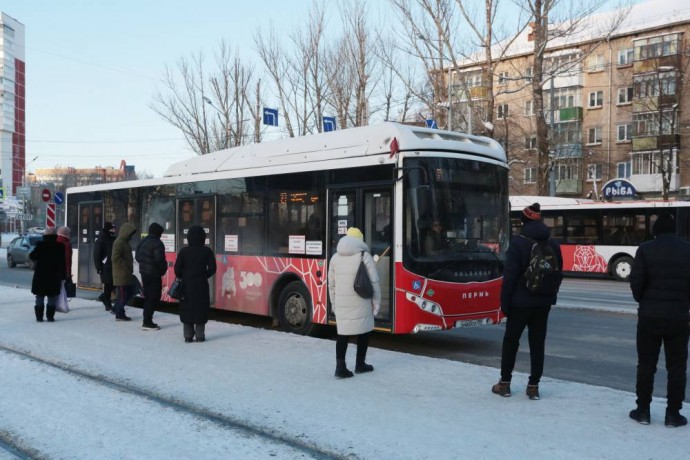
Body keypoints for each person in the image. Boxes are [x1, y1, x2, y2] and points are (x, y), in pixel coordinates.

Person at [492, 203, 563, 400]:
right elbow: (558, 274)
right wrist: (550, 298)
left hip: (520, 303)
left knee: (511, 341)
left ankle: (504, 384)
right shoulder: (554, 244)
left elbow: (510, 278)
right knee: (537, 343)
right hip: (543, 303)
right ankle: (533, 387)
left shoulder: (518, 243)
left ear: (523, 222)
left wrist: (505, 304)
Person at [629, 213, 690, 428]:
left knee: (646, 365)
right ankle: (673, 414)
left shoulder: (645, 249)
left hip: (649, 316)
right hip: (679, 317)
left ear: (656, 230)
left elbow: (636, 282)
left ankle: (643, 410)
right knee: (677, 367)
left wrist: (644, 301)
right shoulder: (687, 249)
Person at [327, 227, 381, 378]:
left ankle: (340, 367)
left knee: (343, 335)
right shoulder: (364, 255)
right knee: (363, 332)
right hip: (362, 301)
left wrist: (334, 304)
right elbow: (374, 281)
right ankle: (360, 364)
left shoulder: (335, 257)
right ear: (360, 240)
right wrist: (376, 303)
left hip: (342, 303)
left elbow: (331, 284)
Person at [174, 225, 216, 343]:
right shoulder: (207, 251)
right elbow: (213, 268)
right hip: (201, 285)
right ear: (203, 237)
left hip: (186, 286)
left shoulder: (184, 251)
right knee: (200, 309)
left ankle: (188, 336)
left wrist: (184, 276)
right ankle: (200, 336)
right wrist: (204, 275)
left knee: (187, 309)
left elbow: (177, 269)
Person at [30, 227, 66, 322]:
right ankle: (50, 317)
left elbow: (32, 256)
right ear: (55, 236)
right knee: (52, 297)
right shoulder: (60, 246)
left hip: (40, 276)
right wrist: (64, 275)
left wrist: (37, 249)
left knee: (39, 297)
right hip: (54, 276)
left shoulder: (41, 245)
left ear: (45, 235)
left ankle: (39, 317)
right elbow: (63, 262)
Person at [135, 223, 167, 331]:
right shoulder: (158, 243)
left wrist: (145, 265)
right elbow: (160, 260)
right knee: (153, 297)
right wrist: (163, 270)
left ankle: (147, 320)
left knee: (148, 296)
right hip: (154, 274)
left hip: (144, 273)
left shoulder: (143, 241)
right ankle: (147, 321)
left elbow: (138, 257)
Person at [111, 223, 138, 322]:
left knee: (129, 292)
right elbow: (115, 258)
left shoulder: (124, 242)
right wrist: (125, 266)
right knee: (123, 294)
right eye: (130, 234)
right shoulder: (119, 242)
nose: (131, 236)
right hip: (121, 274)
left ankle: (117, 308)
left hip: (125, 274)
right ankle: (119, 314)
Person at [94, 222, 116, 311]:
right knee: (108, 284)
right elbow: (97, 254)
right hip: (105, 266)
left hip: (111, 265)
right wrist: (98, 267)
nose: (114, 230)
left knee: (112, 284)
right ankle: (107, 303)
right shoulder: (101, 239)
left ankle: (104, 298)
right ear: (108, 229)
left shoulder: (112, 238)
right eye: (112, 229)